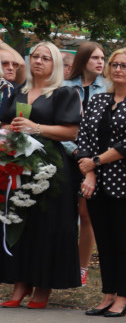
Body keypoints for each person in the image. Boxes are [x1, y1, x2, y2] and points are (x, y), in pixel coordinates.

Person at [0, 42, 82, 308]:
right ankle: (20, 283)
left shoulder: (64, 92)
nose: (39, 62)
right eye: (35, 56)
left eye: (46, 58)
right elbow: (5, 120)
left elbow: (72, 132)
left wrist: (36, 127)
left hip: (51, 167)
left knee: (48, 225)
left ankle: (43, 285)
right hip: (18, 162)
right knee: (20, 220)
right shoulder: (20, 91)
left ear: (56, 64)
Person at [76, 48, 126, 317]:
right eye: (114, 64)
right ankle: (107, 294)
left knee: (122, 240)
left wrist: (95, 161)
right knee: (103, 240)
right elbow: (83, 137)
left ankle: (123, 296)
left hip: (123, 181)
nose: (118, 69)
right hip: (95, 182)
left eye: (124, 65)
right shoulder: (97, 100)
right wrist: (90, 172)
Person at [66, 41, 108, 286]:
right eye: (95, 58)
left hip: (96, 160)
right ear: (82, 60)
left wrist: (89, 158)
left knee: (86, 213)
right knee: (66, 212)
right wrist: (76, 152)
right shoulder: (66, 87)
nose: (100, 62)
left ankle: (81, 268)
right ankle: (64, 262)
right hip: (68, 155)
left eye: (103, 58)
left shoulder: (108, 87)